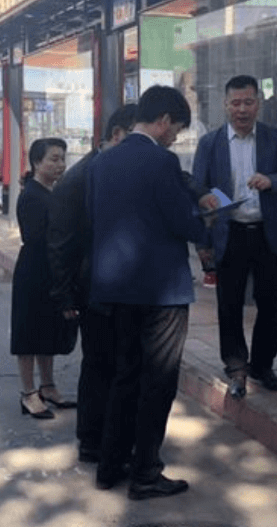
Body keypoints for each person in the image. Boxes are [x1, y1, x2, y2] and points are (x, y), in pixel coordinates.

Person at [88, 85, 209, 500]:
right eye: (176, 129)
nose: (174, 138)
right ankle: (145, 473)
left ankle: (110, 465)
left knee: (125, 376)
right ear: (163, 121)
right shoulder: (162, 161)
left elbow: (95, 217)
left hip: (117, 288)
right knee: (157, 383)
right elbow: (181, 221)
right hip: (161, 292)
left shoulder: (103, 161)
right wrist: (206, 221)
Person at [192, 74, 277, 400]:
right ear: (226, 105)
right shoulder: (210, 143)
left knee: (271, 302)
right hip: (230, 233)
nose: (242, 109)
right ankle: (236, 366)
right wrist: (203, 242)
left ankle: (263, 366)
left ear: (258, 104)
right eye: (236, 103)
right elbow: (197, 189)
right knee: (229, 304)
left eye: (248, 102)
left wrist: (271, 181)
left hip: (265, 233)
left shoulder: (272, 138)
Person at [47, 103, 138, 462]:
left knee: (114, 363)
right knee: (100, 364)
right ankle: (92, 440)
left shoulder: (113, 170)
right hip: (91, 287)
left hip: (115, 284)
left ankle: (109, 436)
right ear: (117, 135)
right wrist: (65, 295)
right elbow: (60, 244)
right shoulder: (80, 178)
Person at [11, 137, 72, 420]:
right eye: (54, 159)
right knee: (28, 333)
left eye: (62, 159)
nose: (60, 165)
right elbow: (37, 238)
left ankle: (48, 386)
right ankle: (28, 393)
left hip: (52, 271)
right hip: (34, 271)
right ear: (37, 162)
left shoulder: (52, 192)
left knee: (48, 331)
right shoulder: (32, 195)